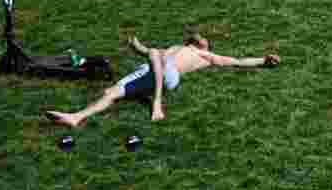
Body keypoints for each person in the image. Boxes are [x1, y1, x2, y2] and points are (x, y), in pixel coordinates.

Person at [45, 31, 280, 128]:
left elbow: (237, 61)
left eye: (203, 39)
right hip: (149, 70)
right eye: (198, 38)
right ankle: (76, 117)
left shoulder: (205, 55)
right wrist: (141, 50)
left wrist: (262, 60)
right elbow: (152, 55)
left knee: (154, 52)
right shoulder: (177, 47)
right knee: (111, 93)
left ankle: (156, 102)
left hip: (167, 74)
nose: (202, 39)